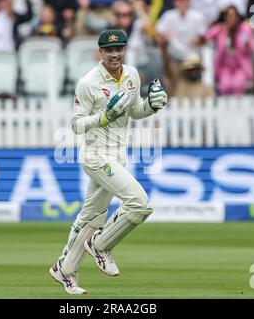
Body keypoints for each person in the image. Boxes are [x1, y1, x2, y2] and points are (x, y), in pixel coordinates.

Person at [49, 29, 168, 294]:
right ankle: (100, 245)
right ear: (100, 52)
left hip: (117, 155)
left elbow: (135, 111)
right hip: (95, 156)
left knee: (91, 216)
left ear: (124, 50)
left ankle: (64, 270)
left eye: (119, 49)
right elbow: (77, 124)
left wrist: (152, 105)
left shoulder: (132, 75)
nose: (115, 54)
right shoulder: (88, 82)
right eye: (109, 50)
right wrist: (104, 117)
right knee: (139, 203)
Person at [195, 5, 254, 95]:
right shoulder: (220, 29)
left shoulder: (244, 29)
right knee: (225, 86)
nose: (231, 19)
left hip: (240, 66)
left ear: (238, 17)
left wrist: (244, 42)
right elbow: (205, 37)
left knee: (238, 85)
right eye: (229, 16)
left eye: (234, 16)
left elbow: (249, 47)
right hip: (225, 67)